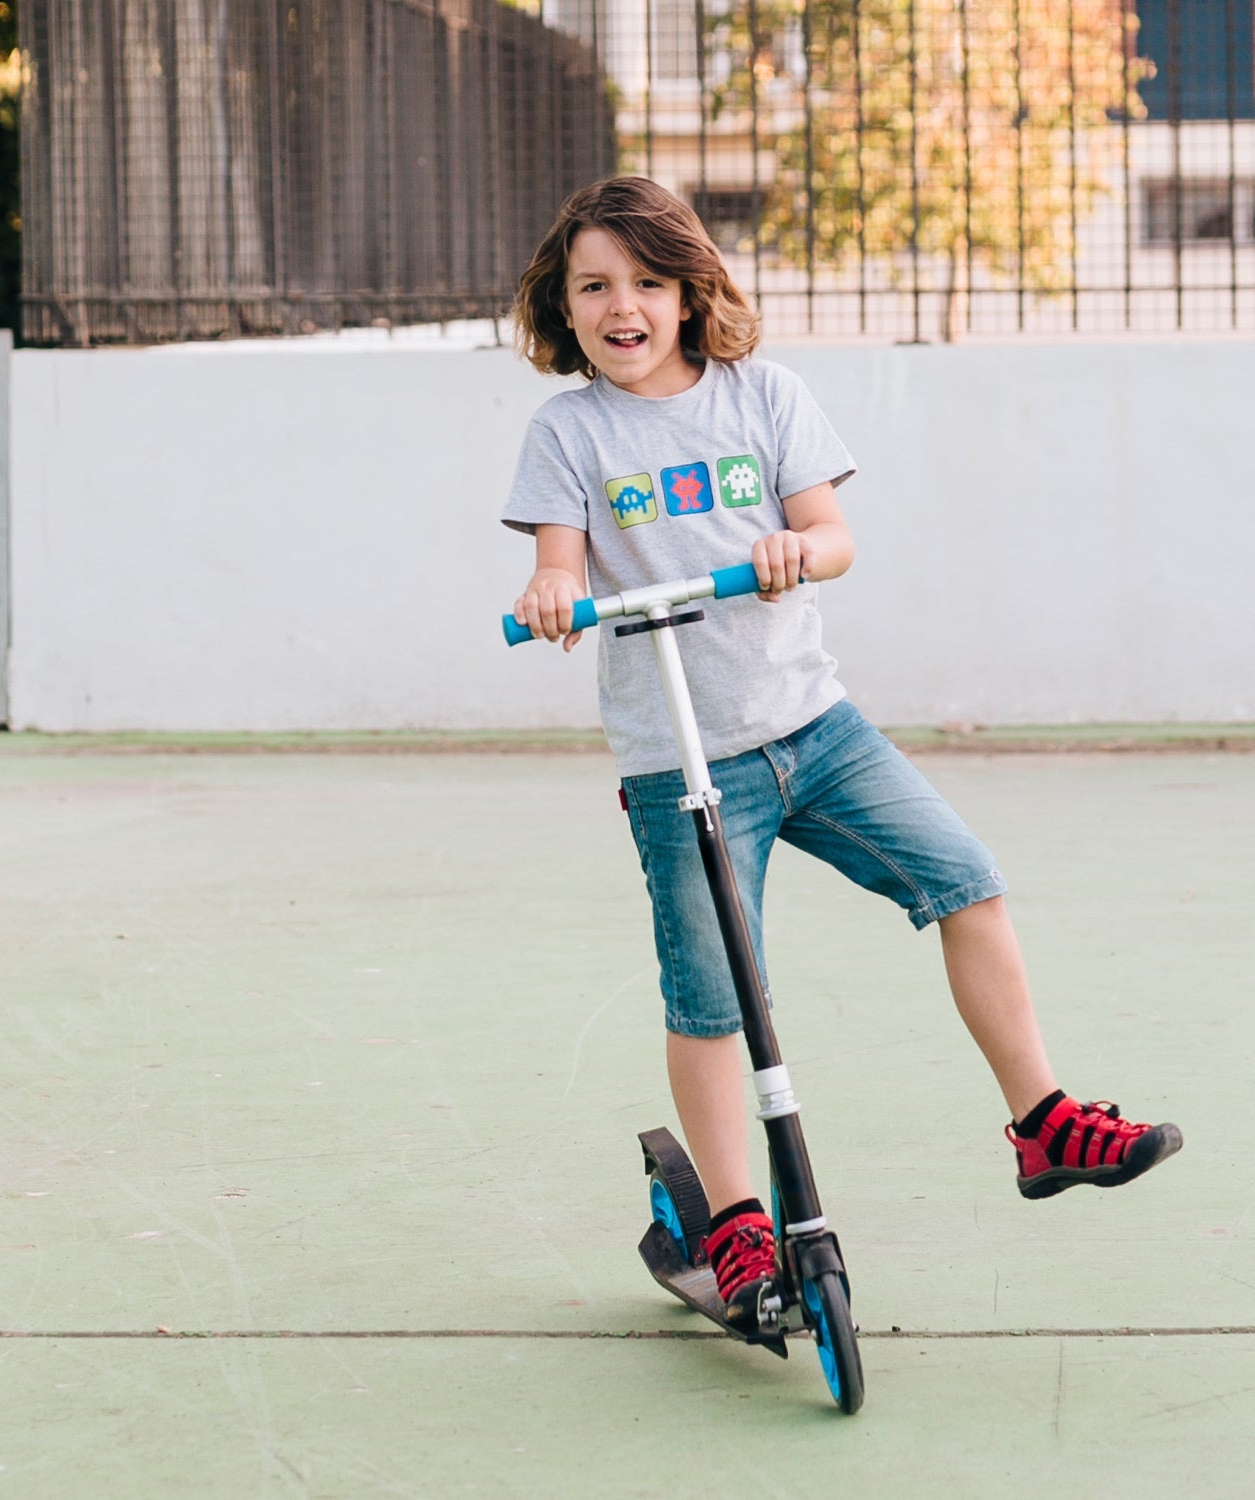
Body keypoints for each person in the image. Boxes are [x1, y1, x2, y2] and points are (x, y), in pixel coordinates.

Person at [502, 176, 1181, 1329]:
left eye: (647, 284)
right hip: (685, 765)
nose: (624, 307)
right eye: (594, 288)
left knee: (966, 882)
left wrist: (793, 551)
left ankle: (1042, 1121)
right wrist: (556, 586)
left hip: (817, 731)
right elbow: (560, 560)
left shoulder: (762, 396)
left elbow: (834, 534)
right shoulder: (570, 430)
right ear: (564, 310)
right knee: (713, 999)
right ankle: (734, 1225)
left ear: (687, 292)